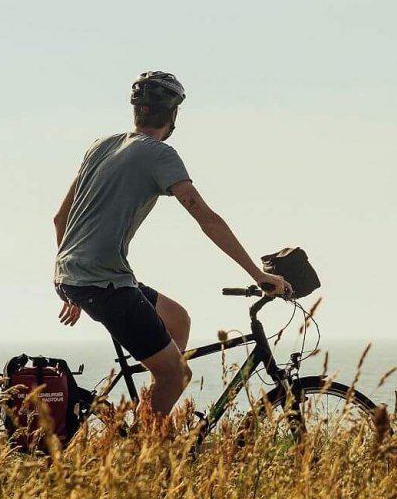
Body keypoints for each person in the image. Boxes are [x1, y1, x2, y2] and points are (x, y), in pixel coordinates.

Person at [52, 71, 291, 427]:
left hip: (78, 276)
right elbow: (206, 218)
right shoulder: (160, 154)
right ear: (173, 115)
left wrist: (72, 283)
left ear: (137, 112)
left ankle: (152, 424)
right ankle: (140, 459)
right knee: (176, 375)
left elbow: (60, 219)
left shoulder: (100, 146)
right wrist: (258, 275)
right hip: (104, 284)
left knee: (178, 320)